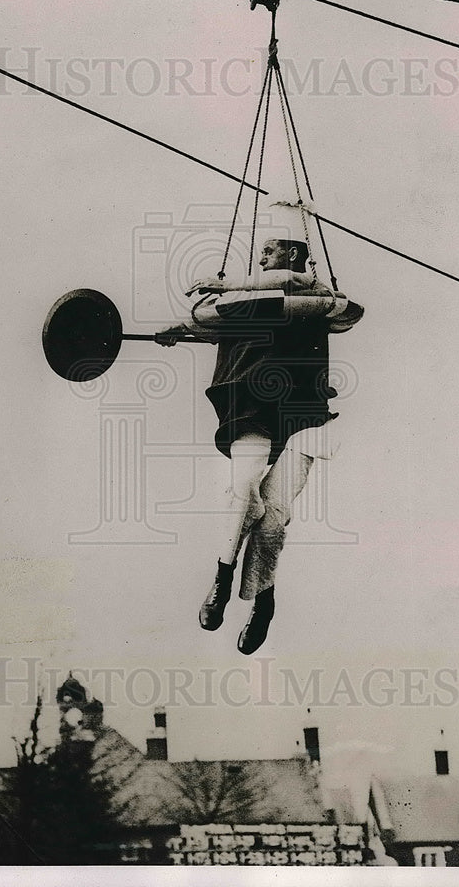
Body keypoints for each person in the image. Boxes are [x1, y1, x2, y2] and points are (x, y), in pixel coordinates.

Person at [158, 233, 360, 653]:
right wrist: (177, 330)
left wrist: (230, 286)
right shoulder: (244, 302)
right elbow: (205, 320)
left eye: (269, 249)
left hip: (303, 415)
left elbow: (306, 289)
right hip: (252, 408)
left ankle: (263, 605)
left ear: (294, 252)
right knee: (243, 492)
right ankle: (223, 577)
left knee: (273, 521)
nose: (261, 256)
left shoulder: (312, 291)